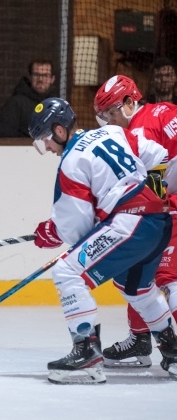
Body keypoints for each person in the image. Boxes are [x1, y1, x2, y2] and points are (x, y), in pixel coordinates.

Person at [29, 97, 177, 384]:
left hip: (130, 223)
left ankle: (86, 354)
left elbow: (76, 230)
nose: (46, 147)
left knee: (67, 272)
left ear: (60, 131)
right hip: (159, 221)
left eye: (45, 139)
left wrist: (50, 233)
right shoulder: (114, 131)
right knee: (137, 289)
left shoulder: (72, 162)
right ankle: (173, 349)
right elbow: (157, 154)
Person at [94, 75, 177, 369]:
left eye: (112, 113)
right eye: (104, 117)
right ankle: (140, 338)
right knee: (136, 275)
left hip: (172, 210)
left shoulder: (138, 133)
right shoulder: (164, 109)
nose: (109, 123)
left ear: (130, 102)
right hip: (167, 208)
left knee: (165, 280)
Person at [0, 58, 58, 137]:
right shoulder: (16, 103)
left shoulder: (58, 105)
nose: (40, 79)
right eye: (36, 75)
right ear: (30, 77)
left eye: (45, 75)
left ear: (52, 79)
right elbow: (6, 134)